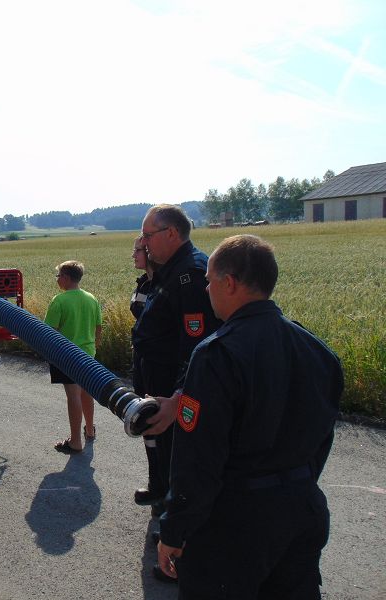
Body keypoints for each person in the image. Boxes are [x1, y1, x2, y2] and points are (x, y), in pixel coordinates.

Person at [156, 235, 343, 599]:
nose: (206, 289)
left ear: (230, 283)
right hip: (302, 511)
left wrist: (174, 530)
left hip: (235, 523)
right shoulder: (319, 351)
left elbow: (198, 460)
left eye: (209, 281)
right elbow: (322, 439)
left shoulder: (215, 355)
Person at [133, 205, 220, 540]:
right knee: (159, 445)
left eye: (148, 235)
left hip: (175, 388)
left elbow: (196, 345)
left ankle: (178, 528)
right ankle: (163, 497)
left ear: (171, 233)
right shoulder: (170, 269)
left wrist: (178, 397)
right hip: (156, 379)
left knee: (180, 456)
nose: (144, 242)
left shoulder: (192, 273)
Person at [44, 260, 102, 454]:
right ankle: (90, 430)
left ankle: (76, 441)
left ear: (66, 278)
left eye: (58, 276)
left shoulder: (59, 301)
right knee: (87, 393)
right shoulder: (91, 298)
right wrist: (94, 348)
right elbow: (98, 328)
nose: (57, 280)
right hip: (88, 353)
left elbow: (49, 332)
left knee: (73, 396)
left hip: (68, 356)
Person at [129, 235, 165, 516]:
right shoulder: (144, 283)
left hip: (160, 367)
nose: (133, 256)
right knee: (147, 423)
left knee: (162, 427)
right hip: (142, 363)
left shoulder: (167, 284)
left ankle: (166, 492)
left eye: (137, 251)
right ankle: (157, 484)